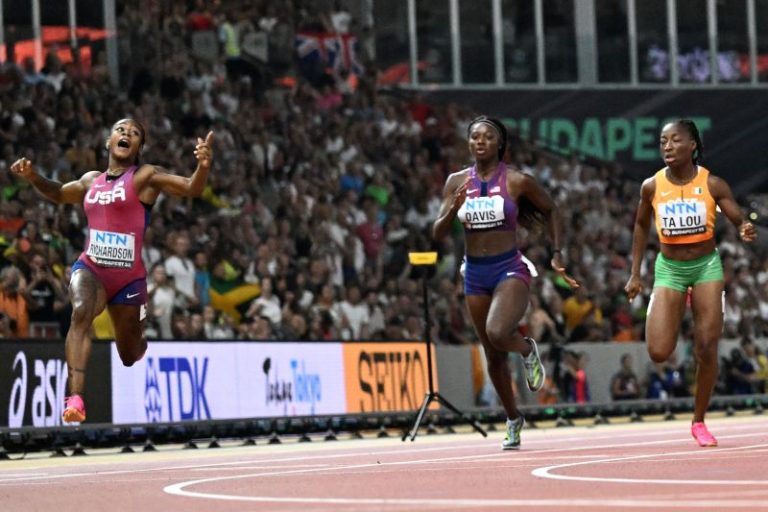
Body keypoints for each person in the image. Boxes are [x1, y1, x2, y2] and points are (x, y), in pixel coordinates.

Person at [10, 118, 214, 423]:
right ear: (108, 141)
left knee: (129, 355)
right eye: (121, 130)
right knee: (80, 312)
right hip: (91, 266)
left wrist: (204, 167)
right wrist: (33, 177)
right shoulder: (91, 180)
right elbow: (58, 192)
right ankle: (75, 399)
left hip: (129, 278)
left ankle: (140, 337)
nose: (126, 134)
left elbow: (190, 188)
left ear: (138, 147)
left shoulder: (145, 177)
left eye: (134, 133)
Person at [433, 116, 578, 450]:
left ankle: (527, 349)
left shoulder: (517, 181)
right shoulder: (456, 182)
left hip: (508, 268)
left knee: (499, 332)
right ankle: (513, 419)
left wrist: (557, 254)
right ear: (468, 143)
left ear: (500, 144)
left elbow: (552, 209)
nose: (480, 142)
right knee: (493, 356)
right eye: (474, 137)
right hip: (475, 273)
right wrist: (450, 211)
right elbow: (436, 233)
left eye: (487, 137)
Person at [624, 118, 756, 447]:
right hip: (670, 269)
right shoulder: (651, 186)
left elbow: (736, 215)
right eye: (663, 142)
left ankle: (699, 421)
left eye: (675, 140)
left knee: (706, 346)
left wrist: (743, 227)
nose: (667, 146)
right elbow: (640, 226)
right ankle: (678, 297)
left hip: (705, 268)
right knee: (657, 351)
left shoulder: (712, 184)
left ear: (692, 145)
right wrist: (635, 273)